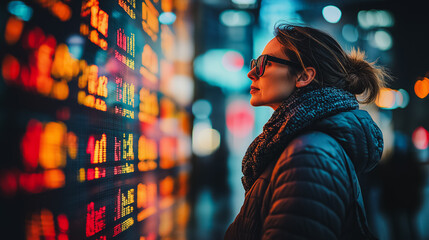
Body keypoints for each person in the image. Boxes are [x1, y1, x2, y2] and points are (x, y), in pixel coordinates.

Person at [224, 23, 388, 240]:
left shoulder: (309, 154)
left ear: (303, 76)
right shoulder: (301, 145)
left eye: (264, 63)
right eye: (255, 62)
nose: (251, 72)